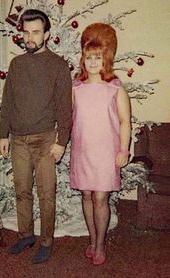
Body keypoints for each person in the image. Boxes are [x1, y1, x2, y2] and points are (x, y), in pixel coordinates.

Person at [0, 9, 72, 264]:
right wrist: (3, 134)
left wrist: (61, 142)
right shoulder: (16, 64)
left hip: (45, 139)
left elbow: (65, 108)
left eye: (36, 32)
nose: (29, 38)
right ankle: (26, 235)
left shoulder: (58, 65)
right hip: (17, 139)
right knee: (21, 191)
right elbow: (7, 100)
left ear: (46, 34)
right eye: (26, 32)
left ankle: (47, 241)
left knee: (46, 194)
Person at [70, 23, 131, 265]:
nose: (93, 62)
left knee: (100, 199)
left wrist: (123, 150)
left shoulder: (115, 88)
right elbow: (68, 119)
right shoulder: (76, 88)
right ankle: (93, 240)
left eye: (98, 57)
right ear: (83, 60)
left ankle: (101, 244)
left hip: (106, 153)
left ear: (105, 59)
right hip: (82, 152)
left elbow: (125, 122)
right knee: (86, 196)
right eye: (88, 57)